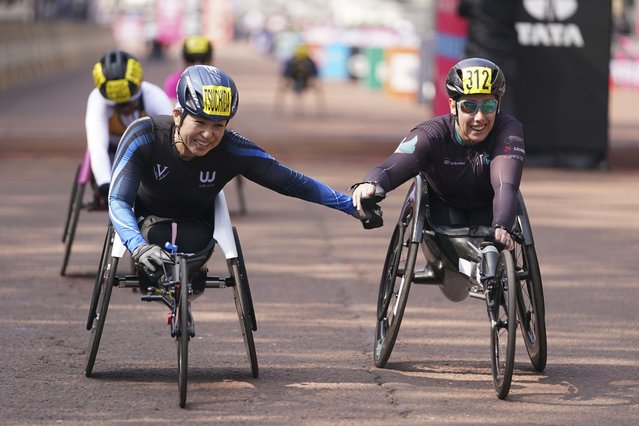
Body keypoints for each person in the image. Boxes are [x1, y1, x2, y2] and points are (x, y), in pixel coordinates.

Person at [109, 65, 370, 286]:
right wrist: (138, 245)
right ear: (178, 115)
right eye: (199, 122)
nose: (208, 135)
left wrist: (350, 205)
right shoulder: (143, 135)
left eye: (218, 125)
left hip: (199, 226)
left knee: (193, 251)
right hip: (145, 223)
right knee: (152, 243)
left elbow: (290, 181)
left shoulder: (232, 148)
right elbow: (118, 200)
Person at [351, 58, 525, 254]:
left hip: (490, 209)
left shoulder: (508, 130)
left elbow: (506, 184)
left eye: (488, 106)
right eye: (469, 106)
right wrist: (371, 184)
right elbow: (391, 167)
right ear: (453, 106)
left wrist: (502, 226)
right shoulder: (431, 134)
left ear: (499, 105)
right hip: (443, 212)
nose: (479, 117)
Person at [86, 49, 173, 200]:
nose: (125, 110)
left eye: (129, 103)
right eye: (118, 106)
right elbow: (97, 146)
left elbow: (171, 138)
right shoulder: (97, 100)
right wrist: (104, 183)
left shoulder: (154, 96)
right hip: (113, 154)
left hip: (148, 154)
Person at [457, 0, 519, 115]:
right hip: (505, 58)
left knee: (473, 109)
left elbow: (461, 10)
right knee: (503, 109)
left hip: (479, 59)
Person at [274, 44, 324, 115]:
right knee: (317, 89)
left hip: (295, 82)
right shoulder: (309, 61)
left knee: (282, 88)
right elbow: (315, 74)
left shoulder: (292, 60)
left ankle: (277, 110)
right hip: (304, 83)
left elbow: (285, 73)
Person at [163, 35, 214, 101]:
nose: (197, 64)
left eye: (202, 60)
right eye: (191, 60)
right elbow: (171, 107)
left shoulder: (220, 82)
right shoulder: (175, 82)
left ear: (210, 59)